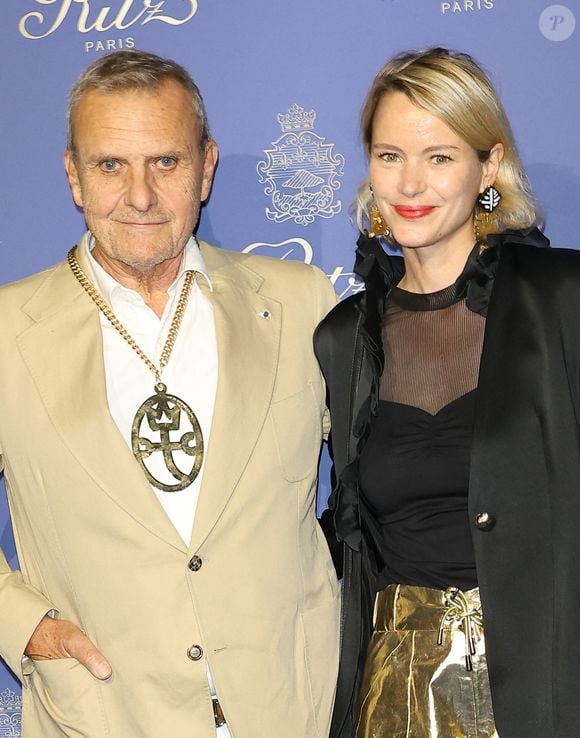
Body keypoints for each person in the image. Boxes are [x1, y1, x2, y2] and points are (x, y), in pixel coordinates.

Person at [0, 49, 340, 738]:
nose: (141, 196)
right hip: (104, 715)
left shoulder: (303, 303)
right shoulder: (8, 331)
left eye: (166, 162)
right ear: (73, 175)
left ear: (206, 167)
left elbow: (395, 476)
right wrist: (23, 625)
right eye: (110, 166)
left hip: (292, 708)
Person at [315, 47, 580, 738]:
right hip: (395, 697)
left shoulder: (561, 300)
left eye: (440, 157)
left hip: (546, 691)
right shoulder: (345, 338)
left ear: (488, 169)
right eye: (389, 154)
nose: (410, 181)